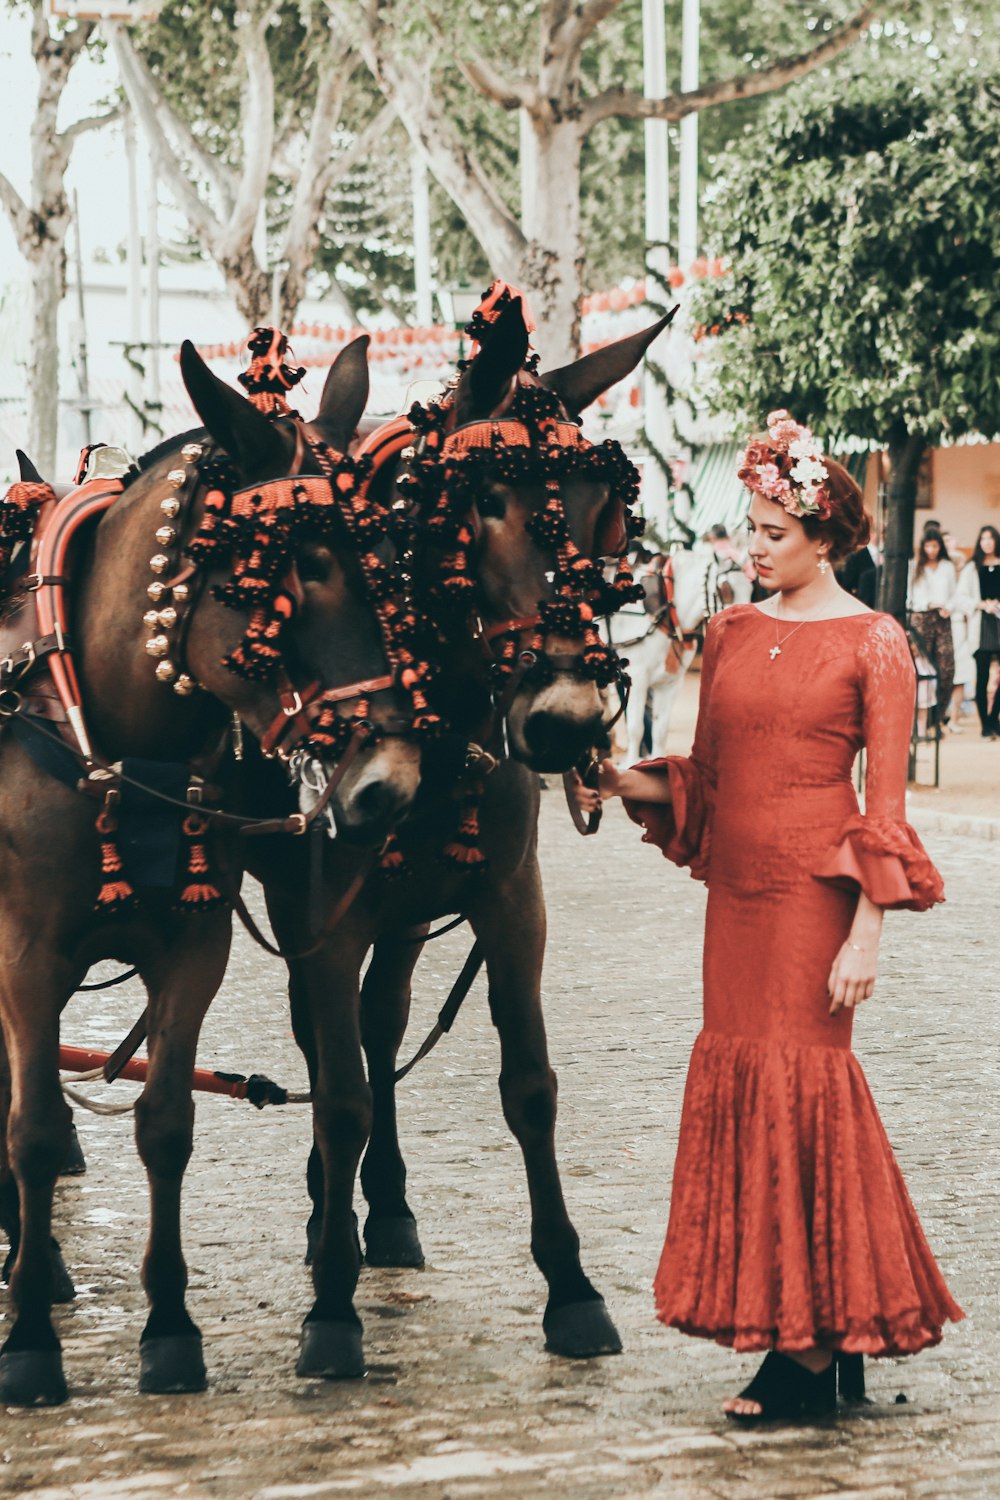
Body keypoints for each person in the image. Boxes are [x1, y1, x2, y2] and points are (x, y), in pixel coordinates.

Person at [573, 409, 962, 1423]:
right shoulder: (731, 633)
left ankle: (804, 1356)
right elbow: (706, 781)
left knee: (804, 1092)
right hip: (738, 902)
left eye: (772, 533)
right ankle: (830, 1335)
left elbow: (883, 809)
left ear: (826, 539)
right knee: (752, 1085)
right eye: (747, 528)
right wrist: (617, 781)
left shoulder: (876, 643)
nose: (751, 547)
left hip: (813, 904)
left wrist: (867, 930)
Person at [907, 529, 957, 731]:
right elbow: (910, 596)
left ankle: (937, 718)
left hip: (943, 618)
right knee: (921, 669)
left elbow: (955, 593)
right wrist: (929, 603)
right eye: (928, 546)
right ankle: (920, 722)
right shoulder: (915, 566)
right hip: (922, 617)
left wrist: (948, 607)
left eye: (935, 546)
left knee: (946, 668)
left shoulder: (947, 567)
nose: (931, 550)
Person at [953, 524, 1000, 738]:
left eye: (991, 538)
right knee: (981, 677)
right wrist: (981, 604)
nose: (987, 542)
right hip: (981, 625)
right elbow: (961, 597)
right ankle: (985, 725)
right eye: (984, 539)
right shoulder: (973, 568)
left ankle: (993, 719)